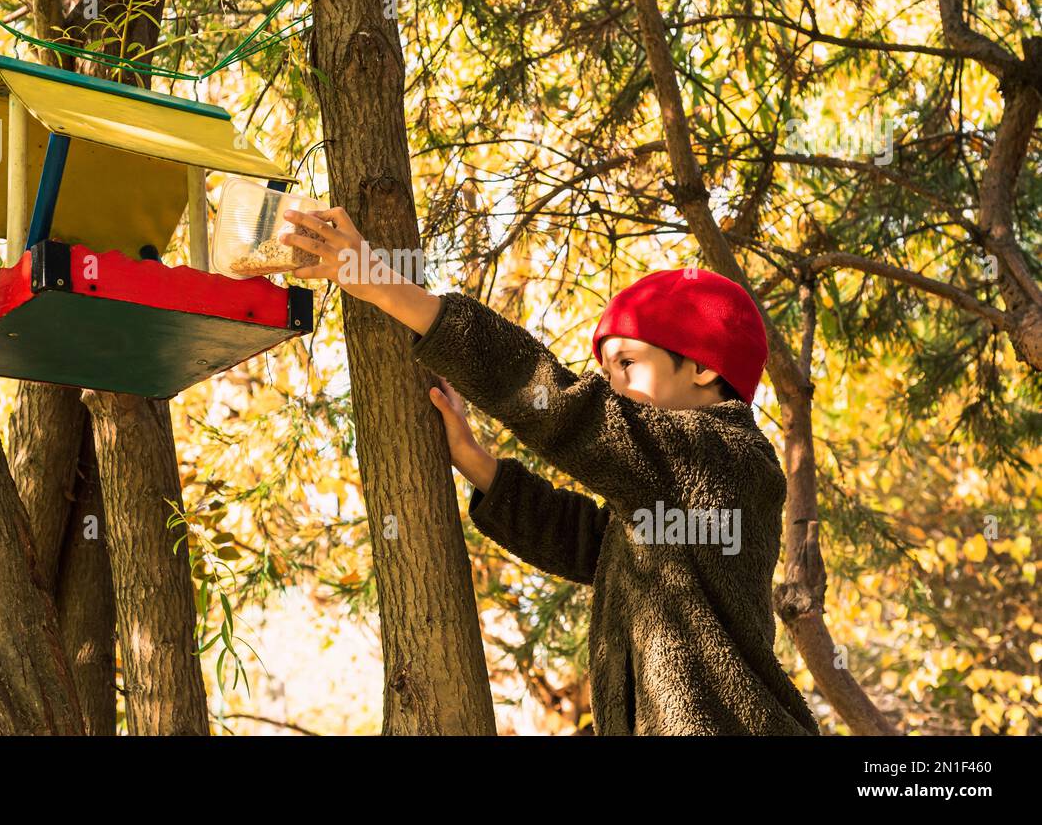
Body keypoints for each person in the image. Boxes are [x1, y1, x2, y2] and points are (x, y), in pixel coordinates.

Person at [279, 207, 819, 736]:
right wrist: (478, 465)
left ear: (703, 366)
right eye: (605, 372)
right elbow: (593, 544)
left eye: (628, 363)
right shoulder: (668, 488)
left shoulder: (726, 457)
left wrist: (385, 287)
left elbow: (569, 409)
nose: (611, 387)